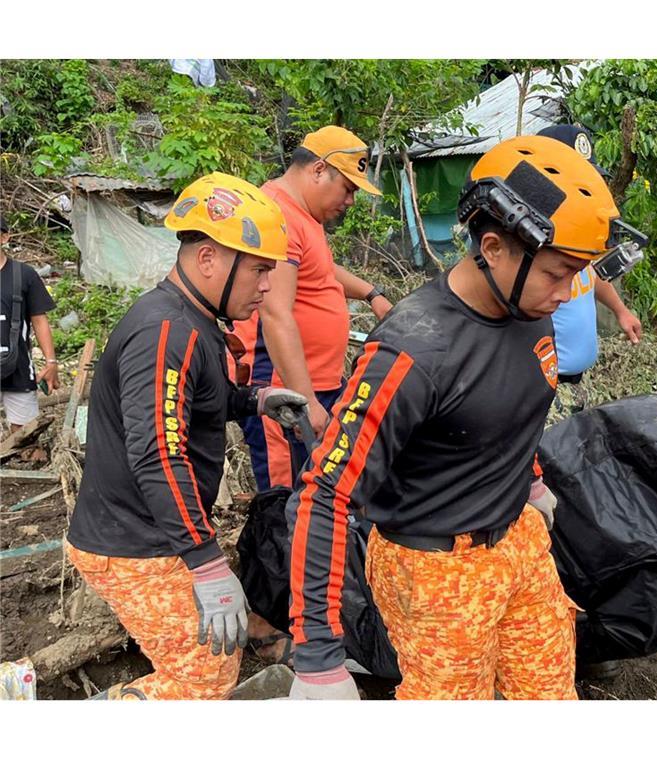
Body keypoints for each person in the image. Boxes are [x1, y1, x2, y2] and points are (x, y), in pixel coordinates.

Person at [286, 135, 641, 700]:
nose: (572, 291)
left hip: (518, 543)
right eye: (559, 272)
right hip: (434, 571)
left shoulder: (530, 305)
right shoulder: (413, 352)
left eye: (580, 273)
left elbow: (502, 412)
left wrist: (529, 483)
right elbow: (324, 493)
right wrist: (318, 657)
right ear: (494, 246)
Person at [64, 173, 309, 699]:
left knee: (213, 651)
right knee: (203, 673)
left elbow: (202, 401)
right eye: (260, 271)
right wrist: (207, 564)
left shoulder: (193, 322)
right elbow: (158, 454)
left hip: (155, 526)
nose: (267, 286)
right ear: (208, 260)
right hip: (131, 541)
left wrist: (256, 399)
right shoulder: (165, 333)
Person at [233, 125, 394, 493]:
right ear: (319, 169)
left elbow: (319, 269)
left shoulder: (302, 214)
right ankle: (284, 553)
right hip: (286, 392)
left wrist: (372, 293)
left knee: (315, 492)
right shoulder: (279, 214)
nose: (350, 200)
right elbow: (275, 314)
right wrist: (304, 401)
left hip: (316, 384)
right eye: (348, 188)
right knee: (288, 499)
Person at [537, 124, 641, 411]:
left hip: (579, 382)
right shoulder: (532, 244)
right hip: (546, 387)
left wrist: (621, 311)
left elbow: (591, 273)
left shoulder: (575, 232)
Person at [1, 215, 59, 429]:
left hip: (17, 368)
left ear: (4, 237)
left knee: (26, 437)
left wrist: (51, 362)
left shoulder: (24, 275)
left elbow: (39, 320)